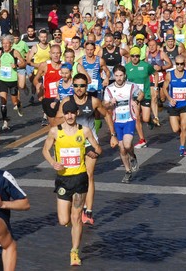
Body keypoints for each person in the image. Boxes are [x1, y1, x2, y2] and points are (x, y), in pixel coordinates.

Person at [42, 99, 102, 266]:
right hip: (63, 179)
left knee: (76, 218)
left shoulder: (85, 131)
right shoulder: (55, 131)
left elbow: (98, 149)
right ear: (63, 115)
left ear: (77, 113)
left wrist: (92, 152)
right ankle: (72, 229)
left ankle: (74, 252)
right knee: (63, 220)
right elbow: (45, 150)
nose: (69, 116)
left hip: (80, 178)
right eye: (66, 113)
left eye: (72, 112)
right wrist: (53, 162)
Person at [57, 73, 115, 226]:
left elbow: (107, 115)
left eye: (82, 85)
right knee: (72, 175)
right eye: (76, 85)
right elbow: (56, 120)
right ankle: (74, 205)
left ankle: (88, 211)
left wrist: (113, 135)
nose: (79, 88)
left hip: (89, 142)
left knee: (88, 175)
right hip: (71, 144)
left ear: (86, 86)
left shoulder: (94, 101)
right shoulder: (67, 101)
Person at [103, 65, 144, 183]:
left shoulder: (131, 86)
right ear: (113, 76)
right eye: (116, 76)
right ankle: (127, 171)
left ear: (125, 75)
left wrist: (136, 101)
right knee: (121, 148)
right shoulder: (109, 89)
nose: (119, 78)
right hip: (117, 121)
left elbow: (141, 94)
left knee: (127, 145)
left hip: (129, 120)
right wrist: (110, 102)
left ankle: (133, 156)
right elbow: (105, 105)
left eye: (121, 75)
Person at [0, 35, 26, 131]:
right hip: (2, 79)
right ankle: (5, 122)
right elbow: (0, 62)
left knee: (14, 101)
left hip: (12, 80)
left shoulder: (15, 52)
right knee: (3, 101)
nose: (5, 45)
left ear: (11, 44)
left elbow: (23, 62)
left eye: (7, 43)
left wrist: (17, 65)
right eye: (3, 43)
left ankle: (18, 104)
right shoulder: (0, 52)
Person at [162, 56, 186, 156]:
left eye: (182, 64)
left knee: (184, 126)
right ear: (175, 64)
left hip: (185, 104)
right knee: (176, 129)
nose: (180, 66)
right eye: (177, 64)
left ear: (184, 63)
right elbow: (164, 88)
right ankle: (183, 134)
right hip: (173, 105)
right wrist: (169, 99)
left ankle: (182, 147)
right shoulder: (169, 75)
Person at [125, 46, 157, 150]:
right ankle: (142, 139)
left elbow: (155, 73)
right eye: (133, 56)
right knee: (137, 118)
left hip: (146, 94)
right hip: (134, 96)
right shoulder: (127, 67)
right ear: (130, 56)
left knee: (145, 118)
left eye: (137, 56)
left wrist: (155, 87)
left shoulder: (146, 66)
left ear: (140, 56)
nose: (135, 58)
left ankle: (150, 122)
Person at [33, 44, 64, 127]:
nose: (56, 55)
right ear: (50, 54)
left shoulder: (64, 66)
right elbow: (35, 79)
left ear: (61, 53)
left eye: (58, 53)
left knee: (64, 125)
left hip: (62, 98)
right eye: (53, 53)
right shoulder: (45, 65)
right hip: (49, 98)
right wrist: (38, 85)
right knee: (53, 126)